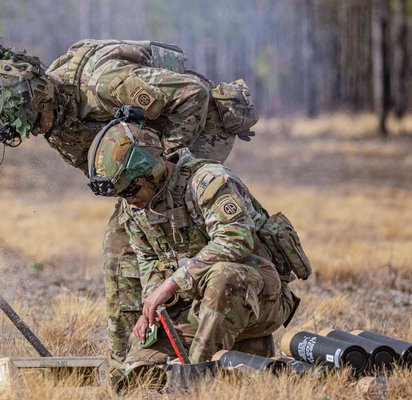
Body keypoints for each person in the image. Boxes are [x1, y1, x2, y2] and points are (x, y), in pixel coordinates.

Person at [0, 41, 259, 371]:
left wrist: (162, 160)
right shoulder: (55, 120)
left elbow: (193, 95)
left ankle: (211, 337)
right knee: (124, 244)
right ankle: (131, 362)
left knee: (186, 231)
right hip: (144, 155)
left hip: (197, 127)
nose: (37, 130)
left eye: (35, 120)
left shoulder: (104, 85)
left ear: (43, 95)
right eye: (29, 128)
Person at [86, 119, 299, 368]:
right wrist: (152, 305)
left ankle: (195, 377)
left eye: (132, 189)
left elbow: (236, 239)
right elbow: (147, 259)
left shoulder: (208, 181)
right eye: (122, 193)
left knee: (223, 276)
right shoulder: (135, 208)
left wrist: (172, 283)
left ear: (153, 170)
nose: (130, 199)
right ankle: (217, 363)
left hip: (259, 301)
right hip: (197, 306)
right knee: (140, 370)